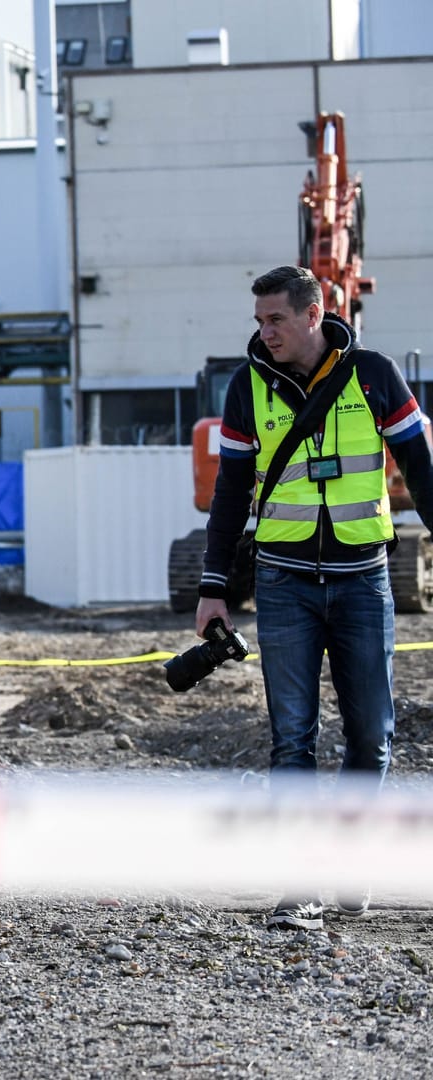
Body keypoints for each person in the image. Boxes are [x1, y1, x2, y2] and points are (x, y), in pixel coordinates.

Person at [192, 265, 433, 931]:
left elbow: (424, 474)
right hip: (283, 580)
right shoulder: (247, 388)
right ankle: (299, 888)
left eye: (275, 319)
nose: (263, 332)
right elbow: (229, 497)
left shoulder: (377, 375)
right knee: (291, 738)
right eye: (258, 321)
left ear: (314, 312)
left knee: (372, 736)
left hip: (363, 579)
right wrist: (214, 588)